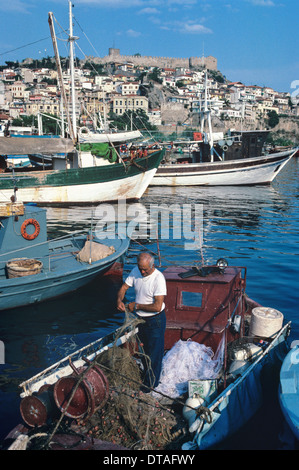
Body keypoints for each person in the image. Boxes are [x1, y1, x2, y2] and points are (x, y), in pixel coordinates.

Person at [117, 252, 167, 389]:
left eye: (145, 269)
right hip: (140, 320)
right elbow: (124, 287)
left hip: (155, 321)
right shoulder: (136, 271)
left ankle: (151, 385)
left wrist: (137, 306)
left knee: (154, 353)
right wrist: (119, 299)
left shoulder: (159, 279)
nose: (143, 272)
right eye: (141, 269)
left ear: (153, 265)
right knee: (144, 350)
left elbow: (157, 307)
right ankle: (147, 376)